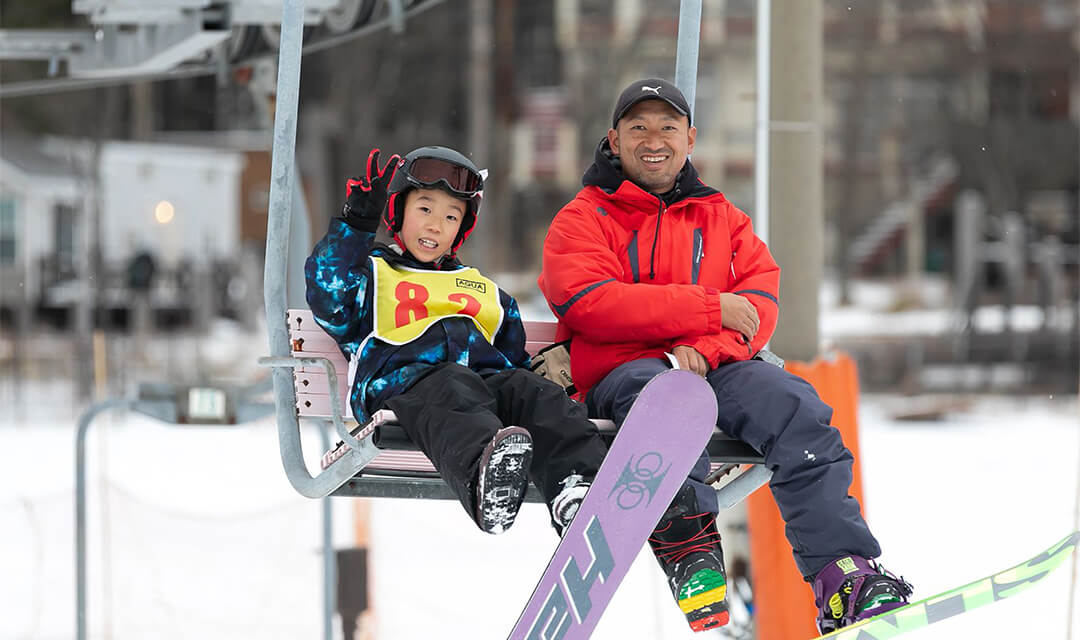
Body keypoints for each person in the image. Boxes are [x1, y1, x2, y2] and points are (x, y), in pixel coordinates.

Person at [537, 78, 912, 633]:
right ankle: (691, 551)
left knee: (796, 404)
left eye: (668, 126)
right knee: (668, 399)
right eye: (637, 126)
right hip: (623, 372)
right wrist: (710, 309)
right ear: (612, 140)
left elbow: (759, 301)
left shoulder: (720, 216)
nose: (653, 138)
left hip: (715, 366)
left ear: (690, 138)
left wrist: (705, 350)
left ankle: (844, 576)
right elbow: (592, 303)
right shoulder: (584, 217)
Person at [306, 145, 606, 535]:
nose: (435, 226)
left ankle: (577, 488)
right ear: (398, 212)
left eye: (451, 217)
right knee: (453, 385)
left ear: (461, 230)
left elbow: (511, 354)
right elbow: (328, 295)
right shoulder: (372, 276)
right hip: (408, 387)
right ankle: (487, 480)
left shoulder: (484, 290)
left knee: (534, 394)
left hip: (482, 386)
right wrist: (358, 224)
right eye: (425, 209)